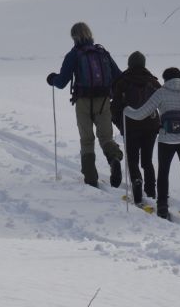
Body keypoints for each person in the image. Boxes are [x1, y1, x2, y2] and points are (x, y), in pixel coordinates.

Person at [46, 22, 124, 188]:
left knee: (87, 140)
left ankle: (90, 179)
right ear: (90, 33)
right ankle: (114, 158)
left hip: (83, 101)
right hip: (103, 100)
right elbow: (118, 76)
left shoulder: (74, 54)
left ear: (74, 37)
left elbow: (61, 83)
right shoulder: (102, 52)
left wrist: (52, 79)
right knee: (106, 137)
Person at [133, 66, 180, 220]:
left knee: (163, 173)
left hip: (166, 140)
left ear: (165, 79)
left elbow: (141, 113)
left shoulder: (161, 93)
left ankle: (163, 206)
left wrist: (127, 111)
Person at [111, 51, 162, 208]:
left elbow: (115, 106)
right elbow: (163, 102)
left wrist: (120, 125)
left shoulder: (122, 81)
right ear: (144, 63)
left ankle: (136, 183)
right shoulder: (153, 82)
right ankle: (151, 192)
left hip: (130, 126)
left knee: (133, 159)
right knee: (147, 160)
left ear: (130, 63)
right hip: (151, 126)